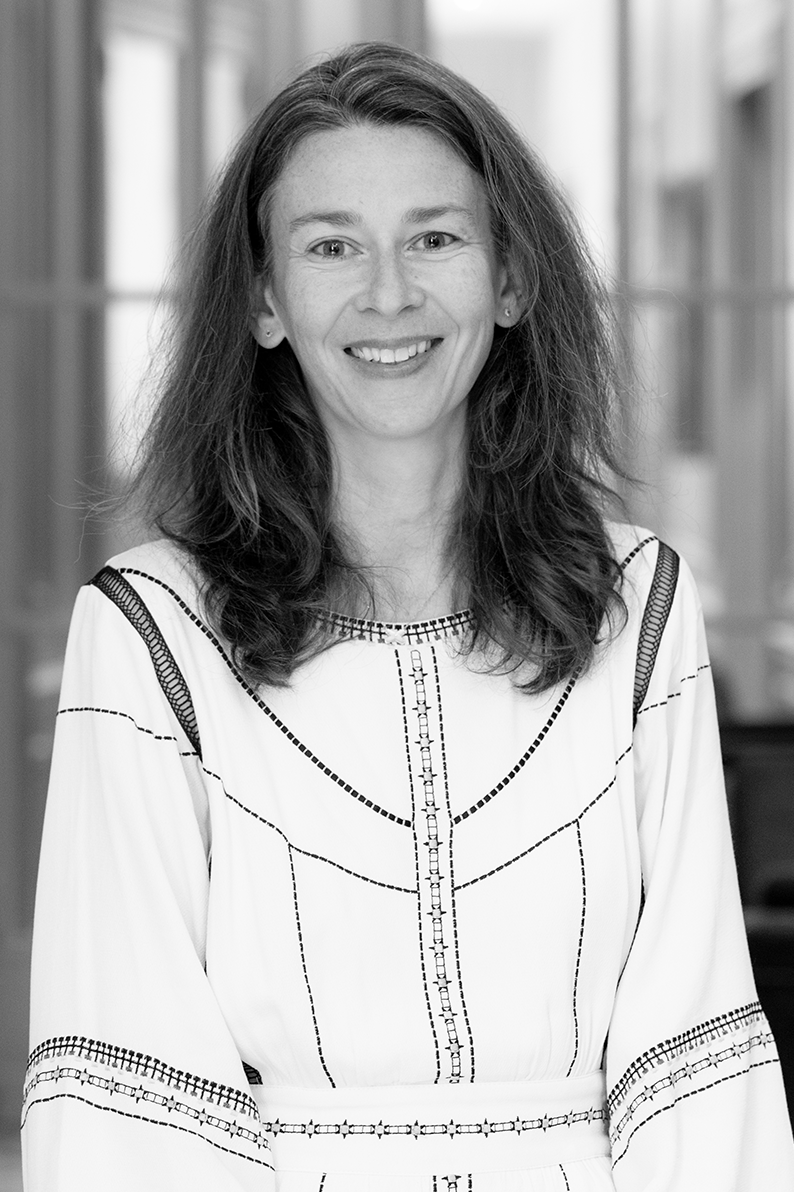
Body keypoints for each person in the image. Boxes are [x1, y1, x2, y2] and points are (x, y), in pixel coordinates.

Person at [21, 40, 794, 1192]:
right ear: (265, 300)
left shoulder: (639, 604)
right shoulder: (151, 630)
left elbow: (693, 1058)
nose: (388, 293)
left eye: (434, 238)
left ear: (509, 280)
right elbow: (125, 1087)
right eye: (330, 245)